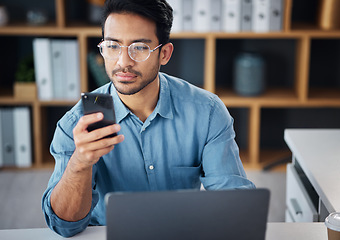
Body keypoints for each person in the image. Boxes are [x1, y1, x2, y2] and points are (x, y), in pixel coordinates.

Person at [42, 0, 255, 237]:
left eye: (139, 48)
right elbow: (64, 225)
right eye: (113, 46)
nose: (123, 62)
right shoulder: (76, 123)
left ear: (164, 54)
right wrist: (80, 163)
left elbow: (235, 204)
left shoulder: (207, 111)